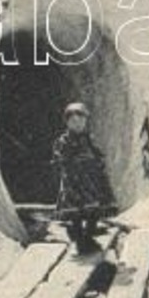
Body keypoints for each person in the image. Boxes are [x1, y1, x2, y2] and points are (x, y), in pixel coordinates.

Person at [51, 102, 116, 254]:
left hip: (91, 180)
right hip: (74, 181)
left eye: (80, 121)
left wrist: (98, 163)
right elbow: (58, 157)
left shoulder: (88, 139)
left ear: (85, 122)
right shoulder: (63, 141)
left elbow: (97, 153)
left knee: (93, 209)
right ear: (67, 123)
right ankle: (80, 239)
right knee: (76, 213)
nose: (77, 124)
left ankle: (89, 235)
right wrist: (67, 161)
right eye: (73, 121)